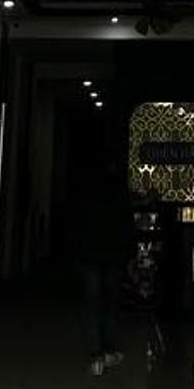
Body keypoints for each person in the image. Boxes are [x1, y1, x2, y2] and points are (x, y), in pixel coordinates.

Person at [73, 149, 129, 376]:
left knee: (93, 304)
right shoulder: (118, 191)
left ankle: (96, 354)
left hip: (91, 255)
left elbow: (77, 223)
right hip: (113, 255)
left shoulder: (85, 191)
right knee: (110, 303)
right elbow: (126, 224)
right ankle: (109, 350)